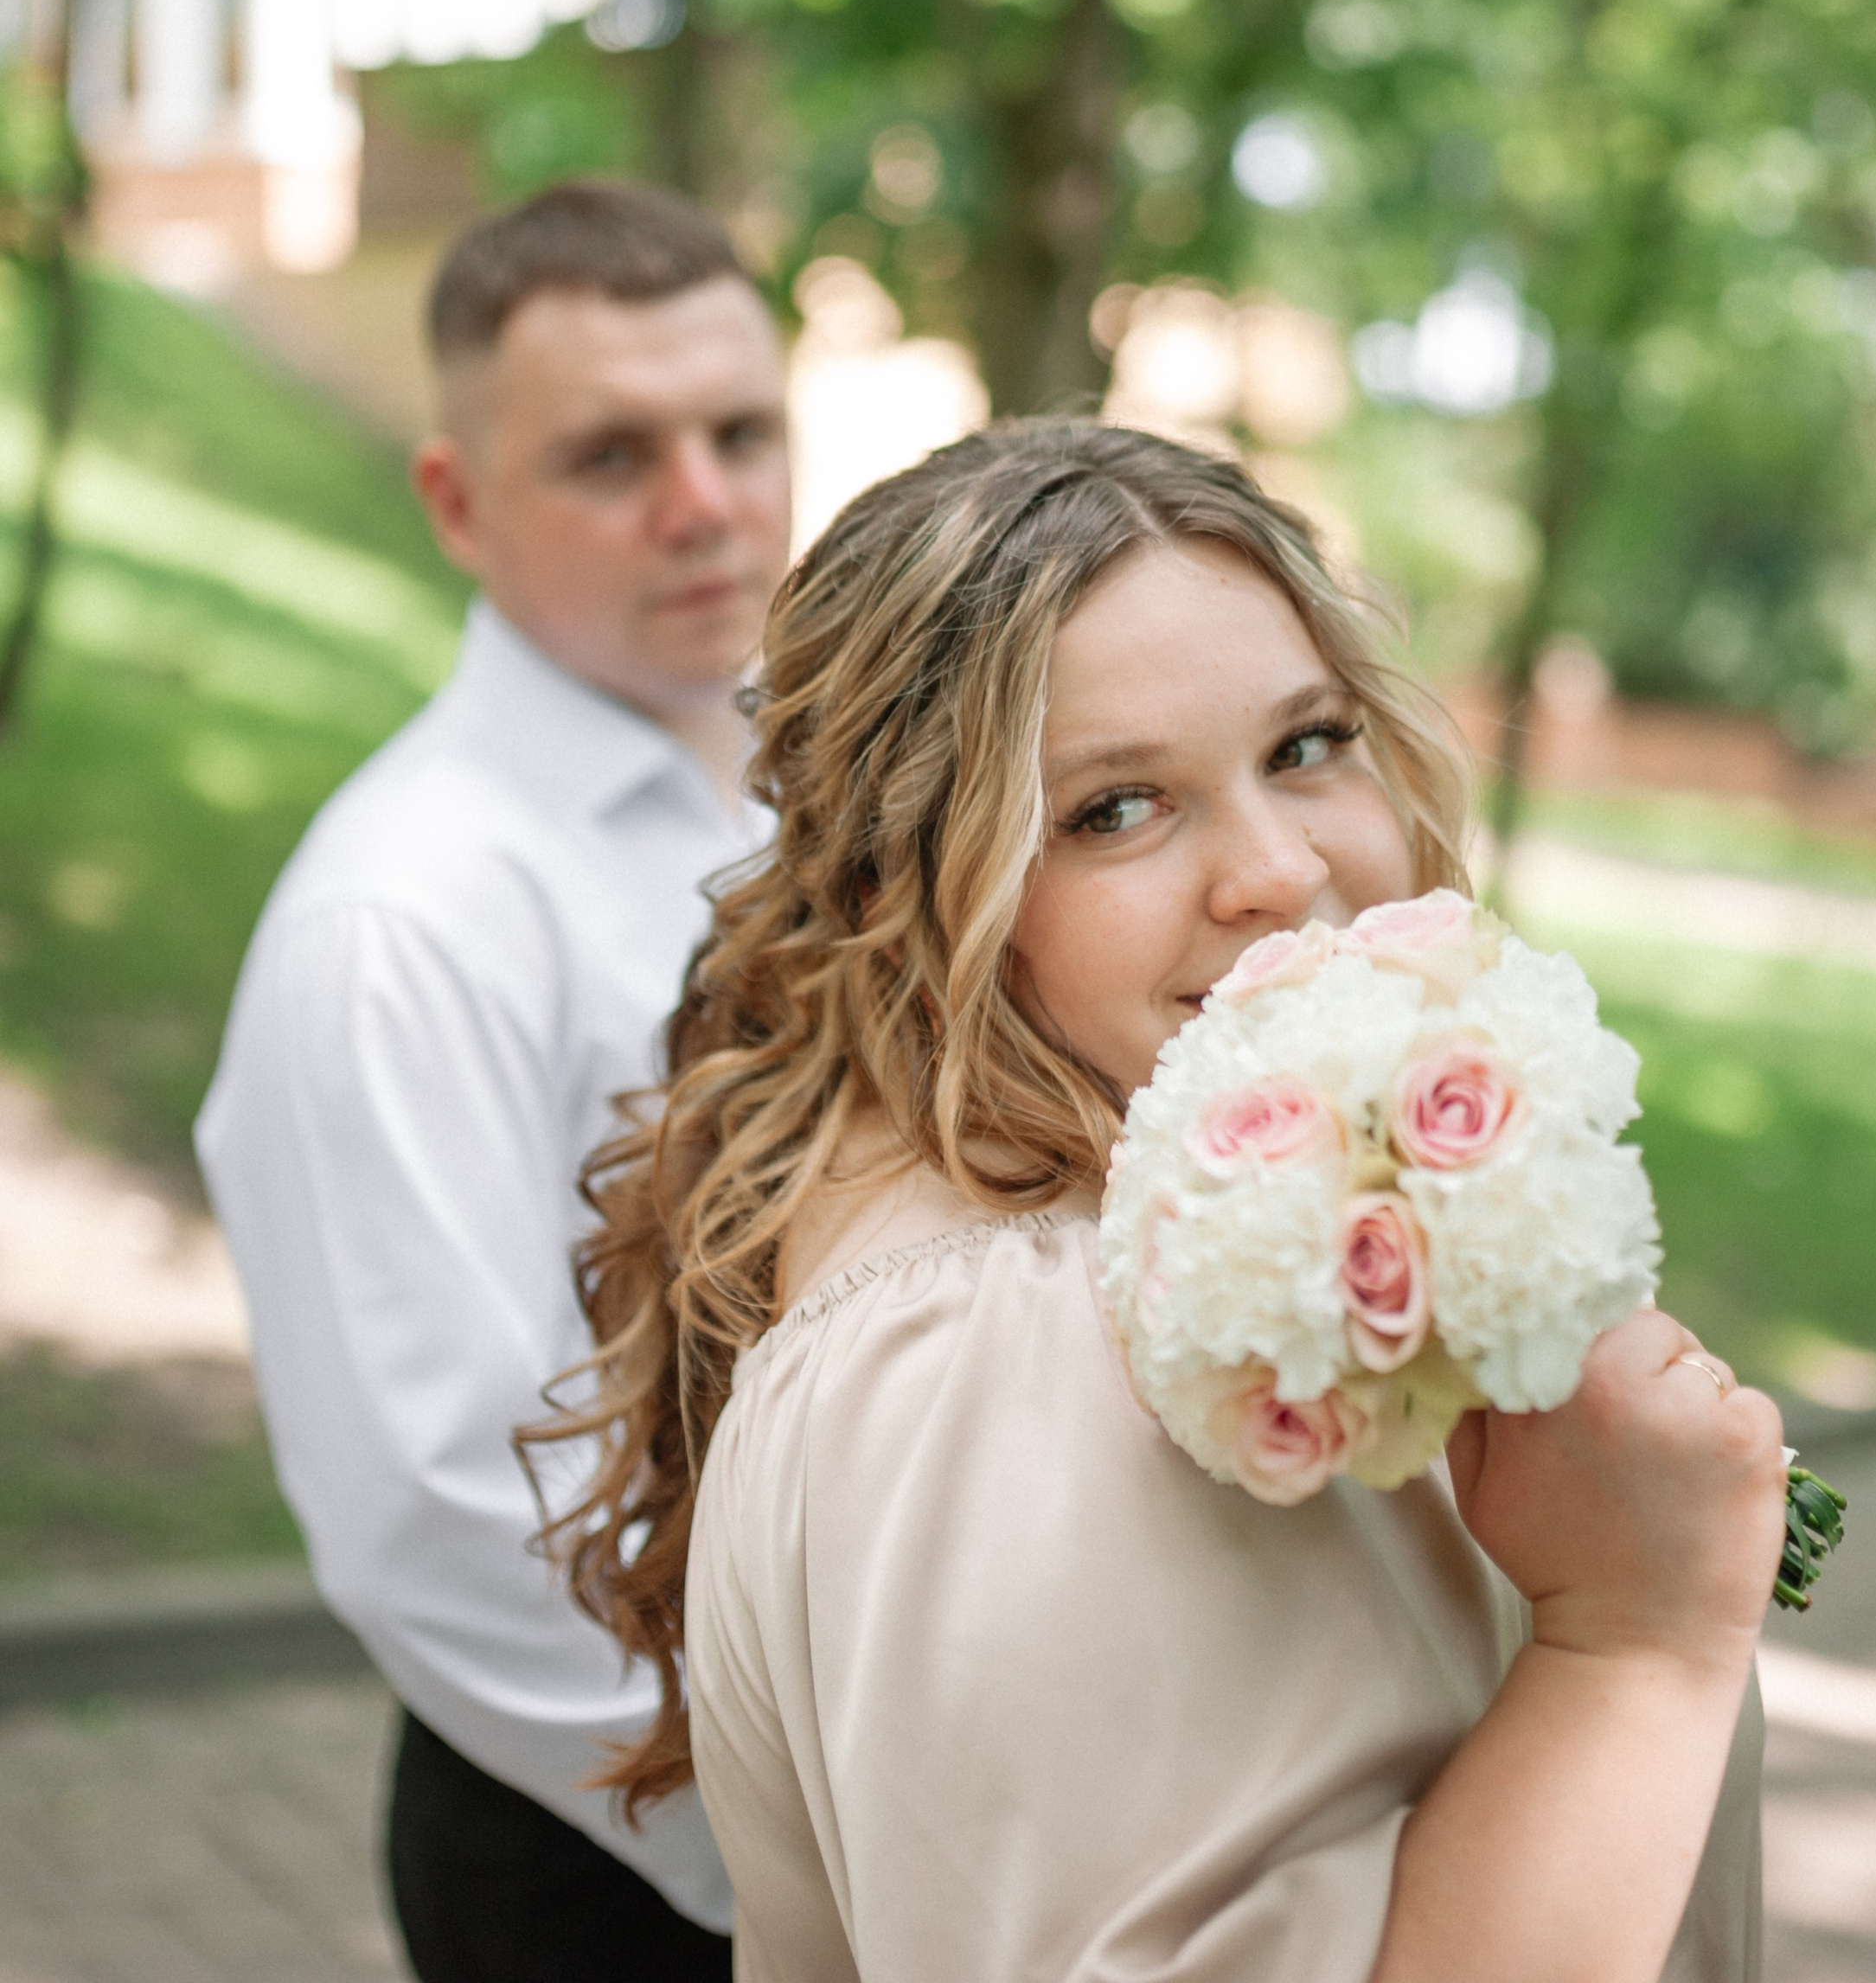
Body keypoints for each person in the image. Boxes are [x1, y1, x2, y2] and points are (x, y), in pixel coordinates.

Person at [539, 421, 1779, 1981]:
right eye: (1116, 808)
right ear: (904, 893)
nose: (1276, 868)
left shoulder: (1200, 1219)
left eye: (1308, 745)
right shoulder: (1004, 1351)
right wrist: (1638, 1642)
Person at [195, 181, 791, 1981]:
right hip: (618, 1852)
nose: (704, 502)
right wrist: (789, 1867)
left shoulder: (817, 787)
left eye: (740, 430)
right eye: (611, 456)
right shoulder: (400, 916)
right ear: (456, 499)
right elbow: (443, 1511)